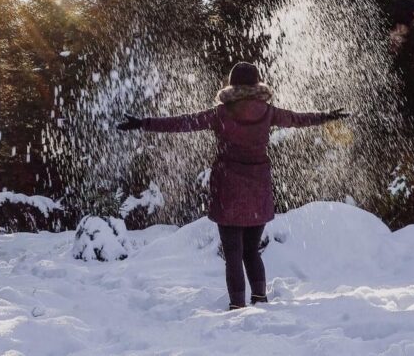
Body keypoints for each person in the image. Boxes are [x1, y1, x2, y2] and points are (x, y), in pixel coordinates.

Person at [116, 62, 349, 310]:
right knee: (252, 251)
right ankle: (260, 298)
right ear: (257, 83)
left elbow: (183, 123)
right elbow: (297, 119)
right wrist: (326, 116)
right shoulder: (268, 112)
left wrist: (143, 123)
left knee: (233, 253)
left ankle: (237, 305)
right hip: (258, 189)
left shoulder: (221, 113)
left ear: (232, 84)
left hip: (228, 189)